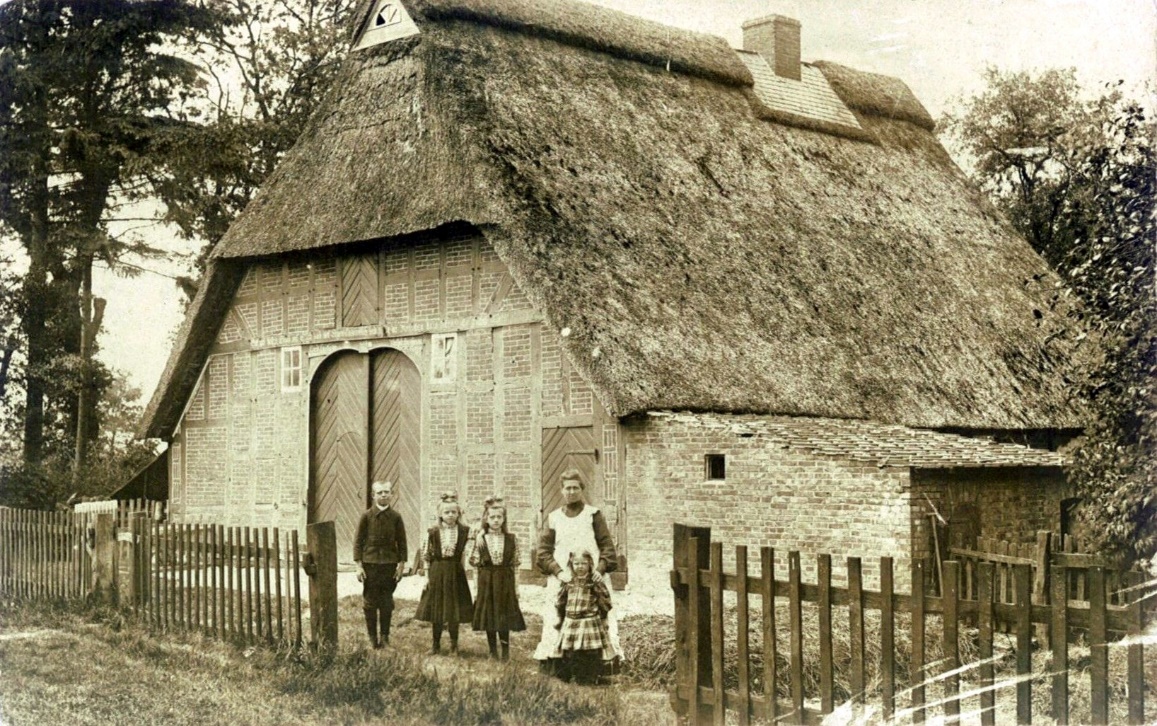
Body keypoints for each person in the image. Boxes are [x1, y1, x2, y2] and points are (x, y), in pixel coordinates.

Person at [533, 468, 623, 669]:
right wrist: (558, 572)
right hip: (563, 579)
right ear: (562, 491)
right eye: (567, 488)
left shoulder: (593, 515)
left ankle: (600, 663)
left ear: (582, 489)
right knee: (557, 616)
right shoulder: (554, 517)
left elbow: (607, 546)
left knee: (598, 615)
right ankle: (557, 663)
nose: (571, 492)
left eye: (575, 487)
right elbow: (543, 552)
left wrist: (599, 570)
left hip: (591, 579)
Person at [415, 493, 474, 655]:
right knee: (438, 610)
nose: (450, 515)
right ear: (440, 514)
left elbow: (467, 551)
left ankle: (454, 646)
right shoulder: (433, 532)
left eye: (454, 512)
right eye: (447, 512)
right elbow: (426, 555)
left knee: (453, 610)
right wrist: (427, 577)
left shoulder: (464, 531)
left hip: (455, 572)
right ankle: (435, 645)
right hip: (437, 571)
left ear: (458, 514)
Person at [470, 497, 526, 660]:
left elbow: (515, 565)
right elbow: (475, 566)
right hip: (487, 580)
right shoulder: (481, 539)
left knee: (503, 615)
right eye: (492, 517)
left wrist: (516, 588)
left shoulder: (511, 539)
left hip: (504, 580)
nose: (496, 520)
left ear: (504, 519)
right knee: (489, 615)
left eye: (499, 517)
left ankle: (506, 652)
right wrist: (476, 589)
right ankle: (492, 651)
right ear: (486, 519)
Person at [354, 480, 408, 649]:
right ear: (373, 495)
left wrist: (401, 565)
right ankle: (372, 639)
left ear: (392, 494)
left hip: (389, 565)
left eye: (387, 492)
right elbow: (358, 542)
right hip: (370, 564)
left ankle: (384, 638)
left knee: (386, 601)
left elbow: (402, 542)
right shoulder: (366, 516)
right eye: (380, 492)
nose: (384, 495)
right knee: (370, 602)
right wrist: (358, 565)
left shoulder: (396, 517)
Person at [549, 548, 614, 684]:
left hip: (589, 621)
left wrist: (603, 617)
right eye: (576, 564)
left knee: (590, 651)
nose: (580, 567)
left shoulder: (594, 581)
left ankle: (590, 678)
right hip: (572, 620)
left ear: (590, 564)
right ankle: (573, 676)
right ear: (571, 565)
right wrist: (560, 617)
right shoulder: (568, 581)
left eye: (583, 563)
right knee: (571, 650)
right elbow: (561, 600)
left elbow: (605, 600)